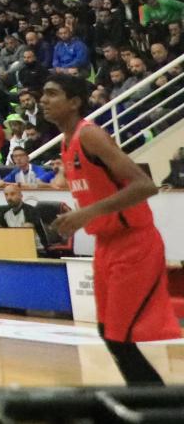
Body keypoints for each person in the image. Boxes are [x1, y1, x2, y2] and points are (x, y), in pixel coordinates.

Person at [45, 73, 176, 385]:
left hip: (134, 243)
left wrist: (87, 212)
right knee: (109, 333)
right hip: (106, 244)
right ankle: (149, 404)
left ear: (74, 102)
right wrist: (81, 216)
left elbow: (145, 185)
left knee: (120, 337)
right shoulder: (66, 145)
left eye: (52, 94)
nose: (43, 100)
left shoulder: (90, 136)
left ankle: (158, 407)